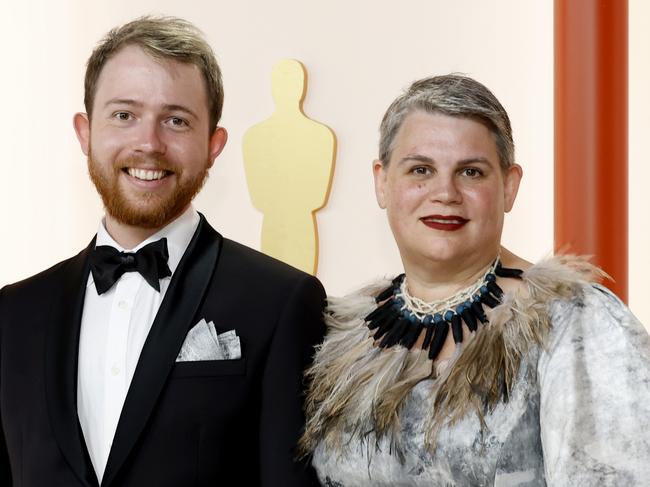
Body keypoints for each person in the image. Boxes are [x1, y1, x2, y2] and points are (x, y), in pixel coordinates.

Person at [0, 16, 324, 487]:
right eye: (124, 115)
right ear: (85, 133)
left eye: (176, 120)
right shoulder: (13, 313)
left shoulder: (282, 301)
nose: (148, 144)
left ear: (214, 144)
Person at [300, 74, 650, 485]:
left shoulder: (575, 323)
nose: (445, 192)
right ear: (382, 181)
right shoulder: (341, 337)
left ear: (509, 186)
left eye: (470, 172)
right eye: (421, 169)